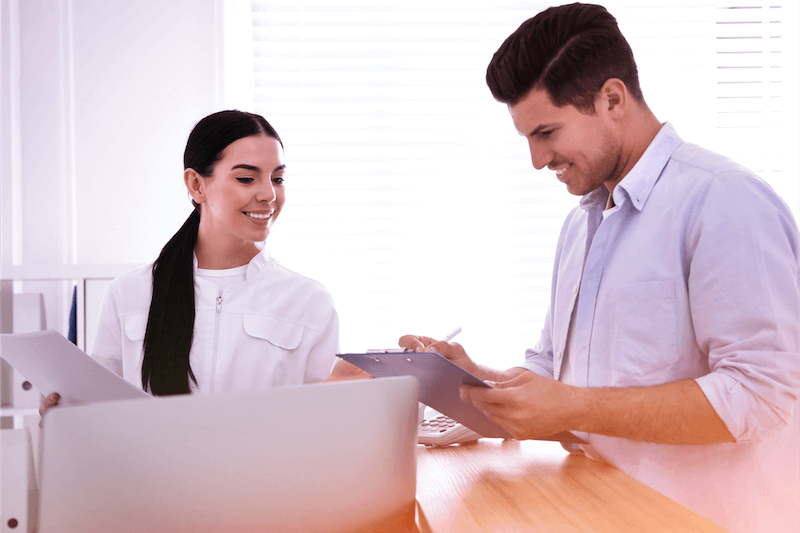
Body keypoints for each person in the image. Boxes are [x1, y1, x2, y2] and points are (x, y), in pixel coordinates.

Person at [400, 4, 799, 532]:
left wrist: (573, 408)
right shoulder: (580, 225)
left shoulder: (722, 200)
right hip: (598, 509)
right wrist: (476, 381)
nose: (537, 160)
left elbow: (760, 393)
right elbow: (560, 376)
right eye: (527, 139)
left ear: (612, 98)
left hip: (704, 519)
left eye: (546, 133)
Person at [41, 110, 359, 415]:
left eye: (277, 179)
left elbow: (324, 425)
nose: (268, 195)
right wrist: (64, 415)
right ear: (196, 185)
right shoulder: (129, 294)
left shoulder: (309, 302)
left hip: (265, 472)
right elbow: (100, 413)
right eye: (247, 178)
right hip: (151, 471)